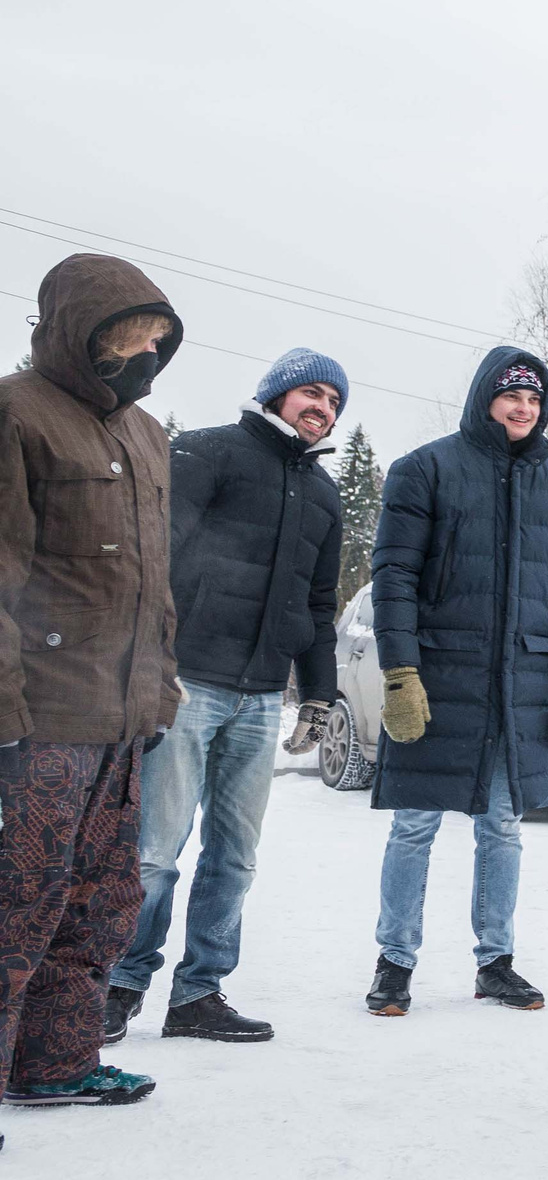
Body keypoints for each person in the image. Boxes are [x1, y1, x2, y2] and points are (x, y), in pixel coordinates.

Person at [105, 348, 347, 1047]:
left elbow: (319, 602)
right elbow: (156, 557)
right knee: (155, 850)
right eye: (312, 392)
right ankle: (120, 983)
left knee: (235, 856)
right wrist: (151, 659)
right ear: (275, 393)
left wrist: (320, 695)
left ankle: (199, 993)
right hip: (187, 684)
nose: (323, 408)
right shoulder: (209, 452)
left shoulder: (325, 495)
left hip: (262, 695)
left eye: (334, 402)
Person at [0, 254, 182, 1117]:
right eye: (128, 340)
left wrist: (161, 690)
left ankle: (54, 1062)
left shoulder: (148, 435)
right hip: (43, 714)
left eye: (155, 341)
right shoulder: (17, 410)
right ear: (83, 336)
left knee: (104, 900)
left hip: (121, 720)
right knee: (17, 902)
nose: (144, 356)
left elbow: (156, 580)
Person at [361, 348, 548, 1018]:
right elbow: (394, 576)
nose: (525, 408)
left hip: (517, 681)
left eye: (535, 398)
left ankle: (497, 963)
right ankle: (394, 962)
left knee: (503, 827)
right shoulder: (425, 469)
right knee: (414, 827)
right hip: (439, 678)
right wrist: (400, 671)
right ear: (484, 398)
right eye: (512, 396)